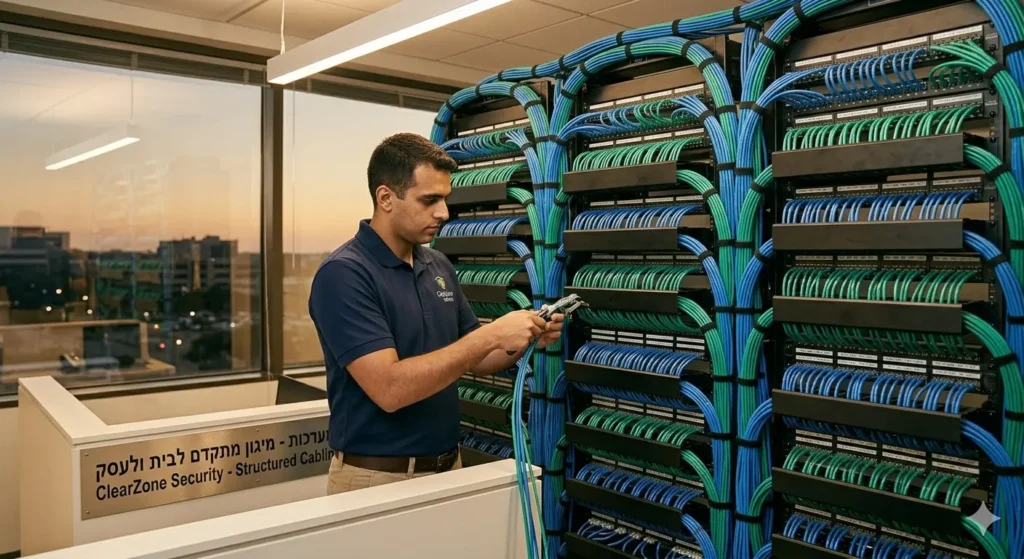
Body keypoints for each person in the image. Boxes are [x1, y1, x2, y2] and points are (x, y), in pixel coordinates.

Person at [309, 132, 563, 495]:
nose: (443, 213)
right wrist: (490, 334)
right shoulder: (344, 274)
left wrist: (525, 334)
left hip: (449, 467)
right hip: (377, 479)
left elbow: (479, 357)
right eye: (429, 200)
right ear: (385, 198)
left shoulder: (437, 264)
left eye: (444, 199)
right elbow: (389, 389)